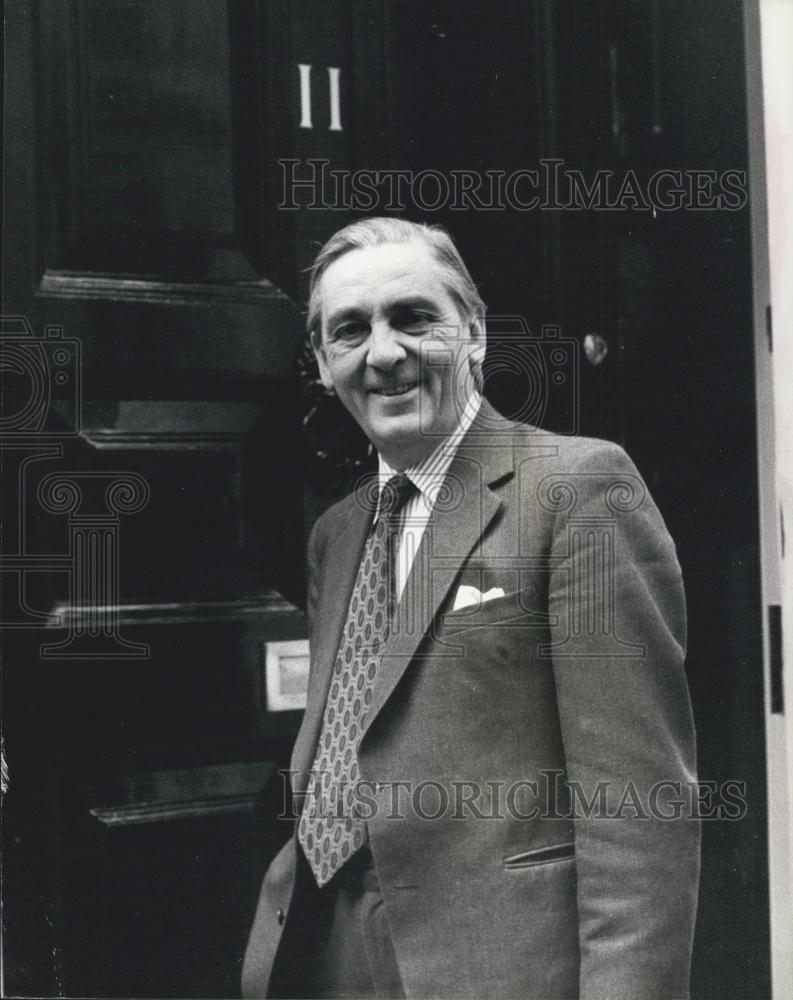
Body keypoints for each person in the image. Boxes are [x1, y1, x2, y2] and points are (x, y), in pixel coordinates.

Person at [242, 217, 700, 999]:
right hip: (325, 951)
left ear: (475, 333)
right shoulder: (335, 534)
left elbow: (637, 808)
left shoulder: (576, 491)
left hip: (499, 964)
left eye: (413, 318)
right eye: (348, 332)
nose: (383, 353)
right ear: (322, 364)